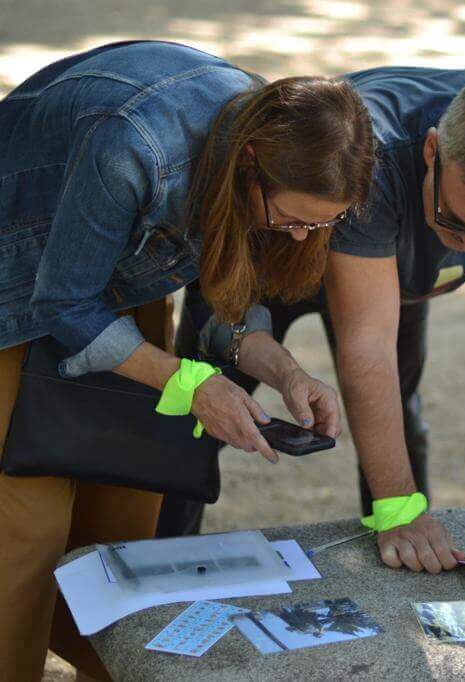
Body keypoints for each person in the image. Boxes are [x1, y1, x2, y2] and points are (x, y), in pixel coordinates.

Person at [0, 41, 375, 680]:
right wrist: (189, 381)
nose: (298, 237)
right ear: (251, 162)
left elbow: (224, 284)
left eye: (319, 227)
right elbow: (64, 305)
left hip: (109, 284)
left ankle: (110, 665)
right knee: (26, 529)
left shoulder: (270, 133)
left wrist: (283, 371)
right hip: (16, 278)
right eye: (289, 221)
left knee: (126, 505)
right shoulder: (134, 146)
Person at [177, 67, 465, 574]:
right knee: (193, 423)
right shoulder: (374, 151)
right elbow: (368, 339)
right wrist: (397, 505)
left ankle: (400, 556)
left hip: (392, 272)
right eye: (458, 220)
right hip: (271, 252)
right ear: (432, 152)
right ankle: (151, 569)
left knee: (400, 417)